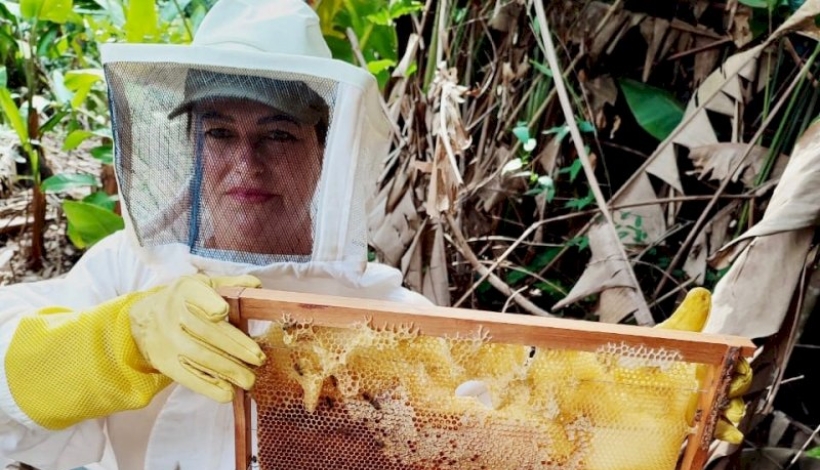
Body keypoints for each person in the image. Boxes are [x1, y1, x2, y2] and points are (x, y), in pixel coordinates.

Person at [0, 0, 430, 469]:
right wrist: (124, 338)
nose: (246, 163)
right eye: (220, 133)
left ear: (324, 153)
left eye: (279, 135)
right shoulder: (126, 270)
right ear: (192, 146)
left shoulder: (394, 320)